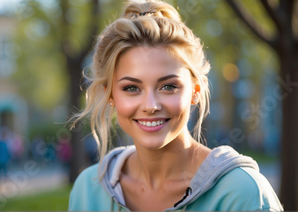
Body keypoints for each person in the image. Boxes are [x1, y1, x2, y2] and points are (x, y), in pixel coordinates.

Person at [68, 1, 283, 211]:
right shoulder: (88, 190)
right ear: (110, 96)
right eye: (132, 88)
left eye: (168, 86)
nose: (150, 106)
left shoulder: (244, 195)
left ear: (195, 91)